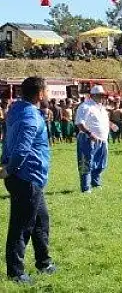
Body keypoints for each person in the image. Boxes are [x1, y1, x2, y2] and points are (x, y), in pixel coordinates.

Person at [0, 77, 56, 284]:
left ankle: (44, 262)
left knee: (41, 221)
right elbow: (22, 147)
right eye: (47, 91)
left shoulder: (16, 109)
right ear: (40, 94)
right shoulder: (31, 116)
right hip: (27, 177)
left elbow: (7, 138)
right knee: (21, 226)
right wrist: (10, 169)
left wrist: (5, 163)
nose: (48, 94)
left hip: (27, 177)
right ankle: (16, 273)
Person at [74, 85, 111, 193]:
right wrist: (90, 134)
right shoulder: (85, 106)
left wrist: (111, 126)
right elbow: (79, 123)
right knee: (86, 162)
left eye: (103, 95)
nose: (102, 97)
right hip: (88, 138)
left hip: (102, 139)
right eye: (100, 95)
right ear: (93, 95)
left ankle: (96, 183)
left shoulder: (101, 107)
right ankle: (85, 188)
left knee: (100, 163)